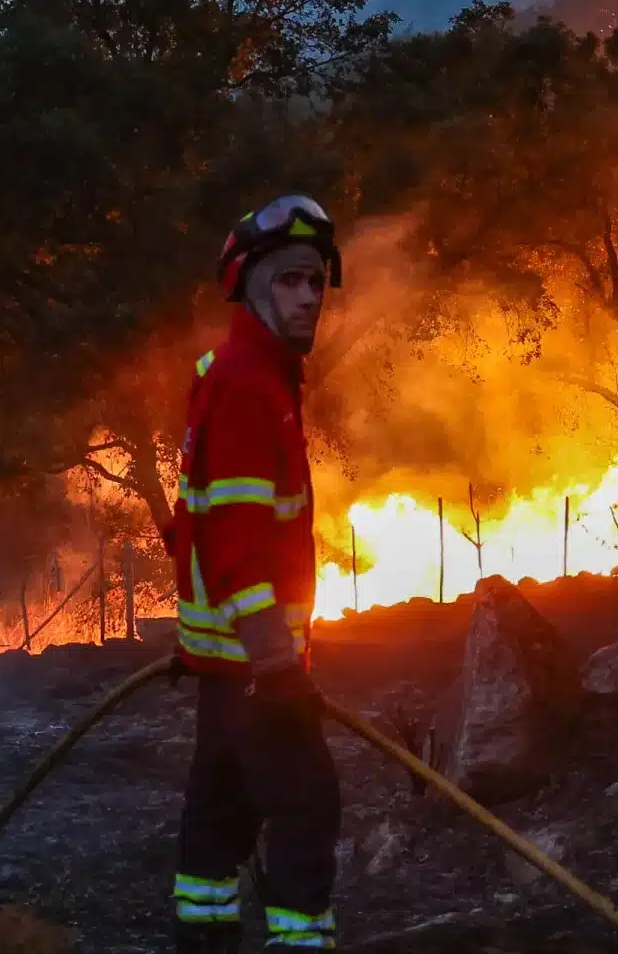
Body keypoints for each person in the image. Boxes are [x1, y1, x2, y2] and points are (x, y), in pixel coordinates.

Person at [162, 194, 345, 952]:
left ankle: (202, 941)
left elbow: (207, 529)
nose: (308, 298)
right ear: (255, 286)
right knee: (308, 802)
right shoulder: (246, 385)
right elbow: (236, 544)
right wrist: (275, 662)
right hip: (251, 664)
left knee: (221, 815)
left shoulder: (255, 374)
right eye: (290, 282)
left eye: (316, 282)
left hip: (224, 663)